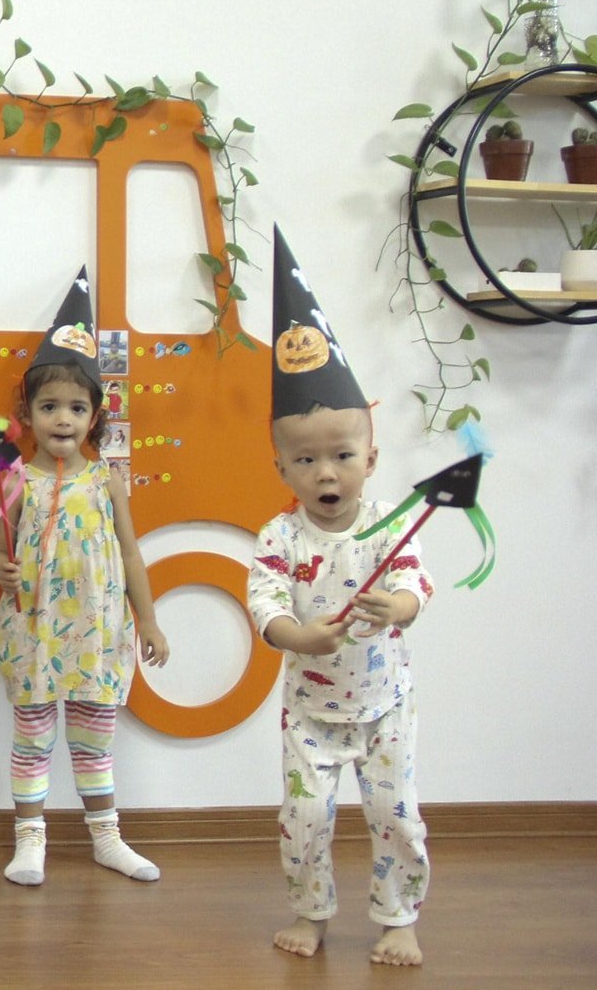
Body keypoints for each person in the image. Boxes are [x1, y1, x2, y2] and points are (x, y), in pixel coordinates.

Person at [248, 230, 431, 967]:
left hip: (386, 703)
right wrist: (297, 635)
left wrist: (400, 607)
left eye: (342, 455)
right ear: (282, 467)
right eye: (306, 458)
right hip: (311, 712)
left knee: (395, 814)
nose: (326, 472)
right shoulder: (279, 535)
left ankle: (399, 916)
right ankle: (311, 910)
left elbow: (416, 578)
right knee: (304, 817)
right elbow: (263, 600)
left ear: (371, 458)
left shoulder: (389, 523)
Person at [0, 268, 168, 888]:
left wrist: (148, 620)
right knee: (33, 737)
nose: (63, 419)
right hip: (35, 633)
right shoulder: (13, 480)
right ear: (27, 414)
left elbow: (131, 555)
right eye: (49, 407)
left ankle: (106, 838)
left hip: (97, 633)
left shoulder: (108, 481)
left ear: (94, 417)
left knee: (93, 740)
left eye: (77, 408)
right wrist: (0, 569)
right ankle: (29, 839)